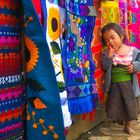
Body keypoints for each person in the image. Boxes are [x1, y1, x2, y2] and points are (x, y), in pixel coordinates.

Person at [101, 23, 140, 135]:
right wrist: (110, 56)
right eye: (107, 40)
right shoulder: (107, 53)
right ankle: (119, 119)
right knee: (116, 104)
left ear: (121, 36)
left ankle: (127, 126)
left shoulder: (133, 51)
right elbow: (104, 66)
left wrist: (135, 66)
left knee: (130, 106)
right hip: (115, 85)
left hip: (129, 85)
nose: (111, 42)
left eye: (113, 37)